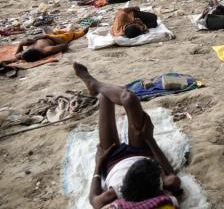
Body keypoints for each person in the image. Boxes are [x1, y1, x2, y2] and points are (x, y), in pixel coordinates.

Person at [73, 64, 182, 208]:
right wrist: (150, 139)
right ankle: (96, 85)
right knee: (129, 98)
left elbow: (94, 200)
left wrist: (98, 164)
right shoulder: (167, 183)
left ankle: (95, 85)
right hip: (142, 150)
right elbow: (171, 176)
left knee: (105, 99)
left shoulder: (115, 192)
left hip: (112, 159)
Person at [12, 27, 87, 62]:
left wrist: (21, 44)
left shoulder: (24, 54)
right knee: (71, 34)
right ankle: (83, 31)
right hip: (53, 38)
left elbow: (16, 55)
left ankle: (51, 33)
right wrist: (48, 36)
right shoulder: (47, 49)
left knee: (45, 28)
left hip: (45, 37)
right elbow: (64, 45)